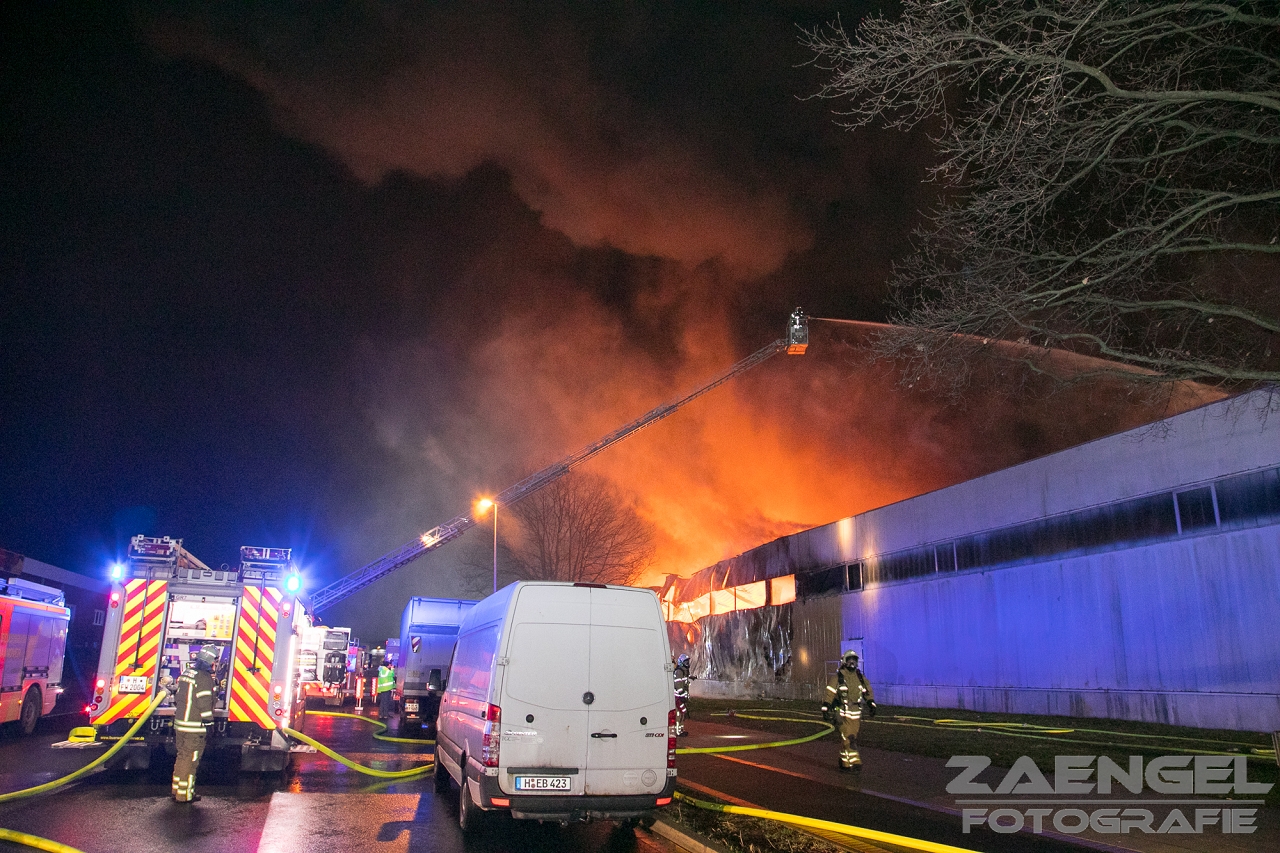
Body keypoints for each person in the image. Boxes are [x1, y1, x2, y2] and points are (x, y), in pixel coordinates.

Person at [172, 646, 218, 802]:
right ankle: (185, 795)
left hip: (180, 724)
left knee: (181, 756)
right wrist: (209, 723)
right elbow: (204, 702)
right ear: (211, 662)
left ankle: (177, 789)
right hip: (194, 726)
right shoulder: (204, 678)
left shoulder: (187, 673)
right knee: (191, 760)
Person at [820, 650, 877, 770]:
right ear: (844, 662)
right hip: (842, 713)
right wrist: (825, 707)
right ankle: (855, 762)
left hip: (856, 714)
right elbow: (829, 694)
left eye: (854, 660)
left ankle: (844, 761)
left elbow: (868, 692)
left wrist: (871, 704)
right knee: (849, 738)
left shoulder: (860, 678)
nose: (852, 662)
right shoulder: (839, 677)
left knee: (851, 737)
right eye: (849, 660)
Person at [672, 654, 691, 736]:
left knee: (682, 714)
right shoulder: (679, 671)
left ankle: (681, 730)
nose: (687, 663)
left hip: (682, 697)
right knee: (678, 715)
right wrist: (682, 694)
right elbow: (678, 684)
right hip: (678, 698)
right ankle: (677, 732)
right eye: (686, 662)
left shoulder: (684, 671)